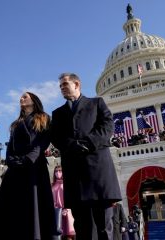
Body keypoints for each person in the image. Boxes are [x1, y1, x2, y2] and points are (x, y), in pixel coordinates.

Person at [51, 73, 122, 240]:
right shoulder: (58, 113)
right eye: (60, 86)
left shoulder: (96, 103)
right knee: (82, 227)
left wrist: (88, 143)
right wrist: (72, 145)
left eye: (65, 84)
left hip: (98, 173)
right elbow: (56, 137)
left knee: (104, 226)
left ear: (77, 84)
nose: (62, 88)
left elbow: (107, 126)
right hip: (75, 176)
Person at [0, 92, 56, 240]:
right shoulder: (16, 124)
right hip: (15, 170)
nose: (21, 98)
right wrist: (11, 161)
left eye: (25, 96)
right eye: (21, 97)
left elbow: (42, 142)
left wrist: (28, 159)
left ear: (34, 100)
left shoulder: (44, 118)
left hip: (34, 168)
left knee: (35, 208)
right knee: (11, 209)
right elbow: (10, 147)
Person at [52, 165, 75, 240]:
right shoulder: (53, 185)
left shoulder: (66, 184)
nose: (58, 173)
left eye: (60, 171)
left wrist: (66, 208)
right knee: (58, 235)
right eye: (56, 171)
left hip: (67, 211)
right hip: (56, 212)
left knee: (69, 234)